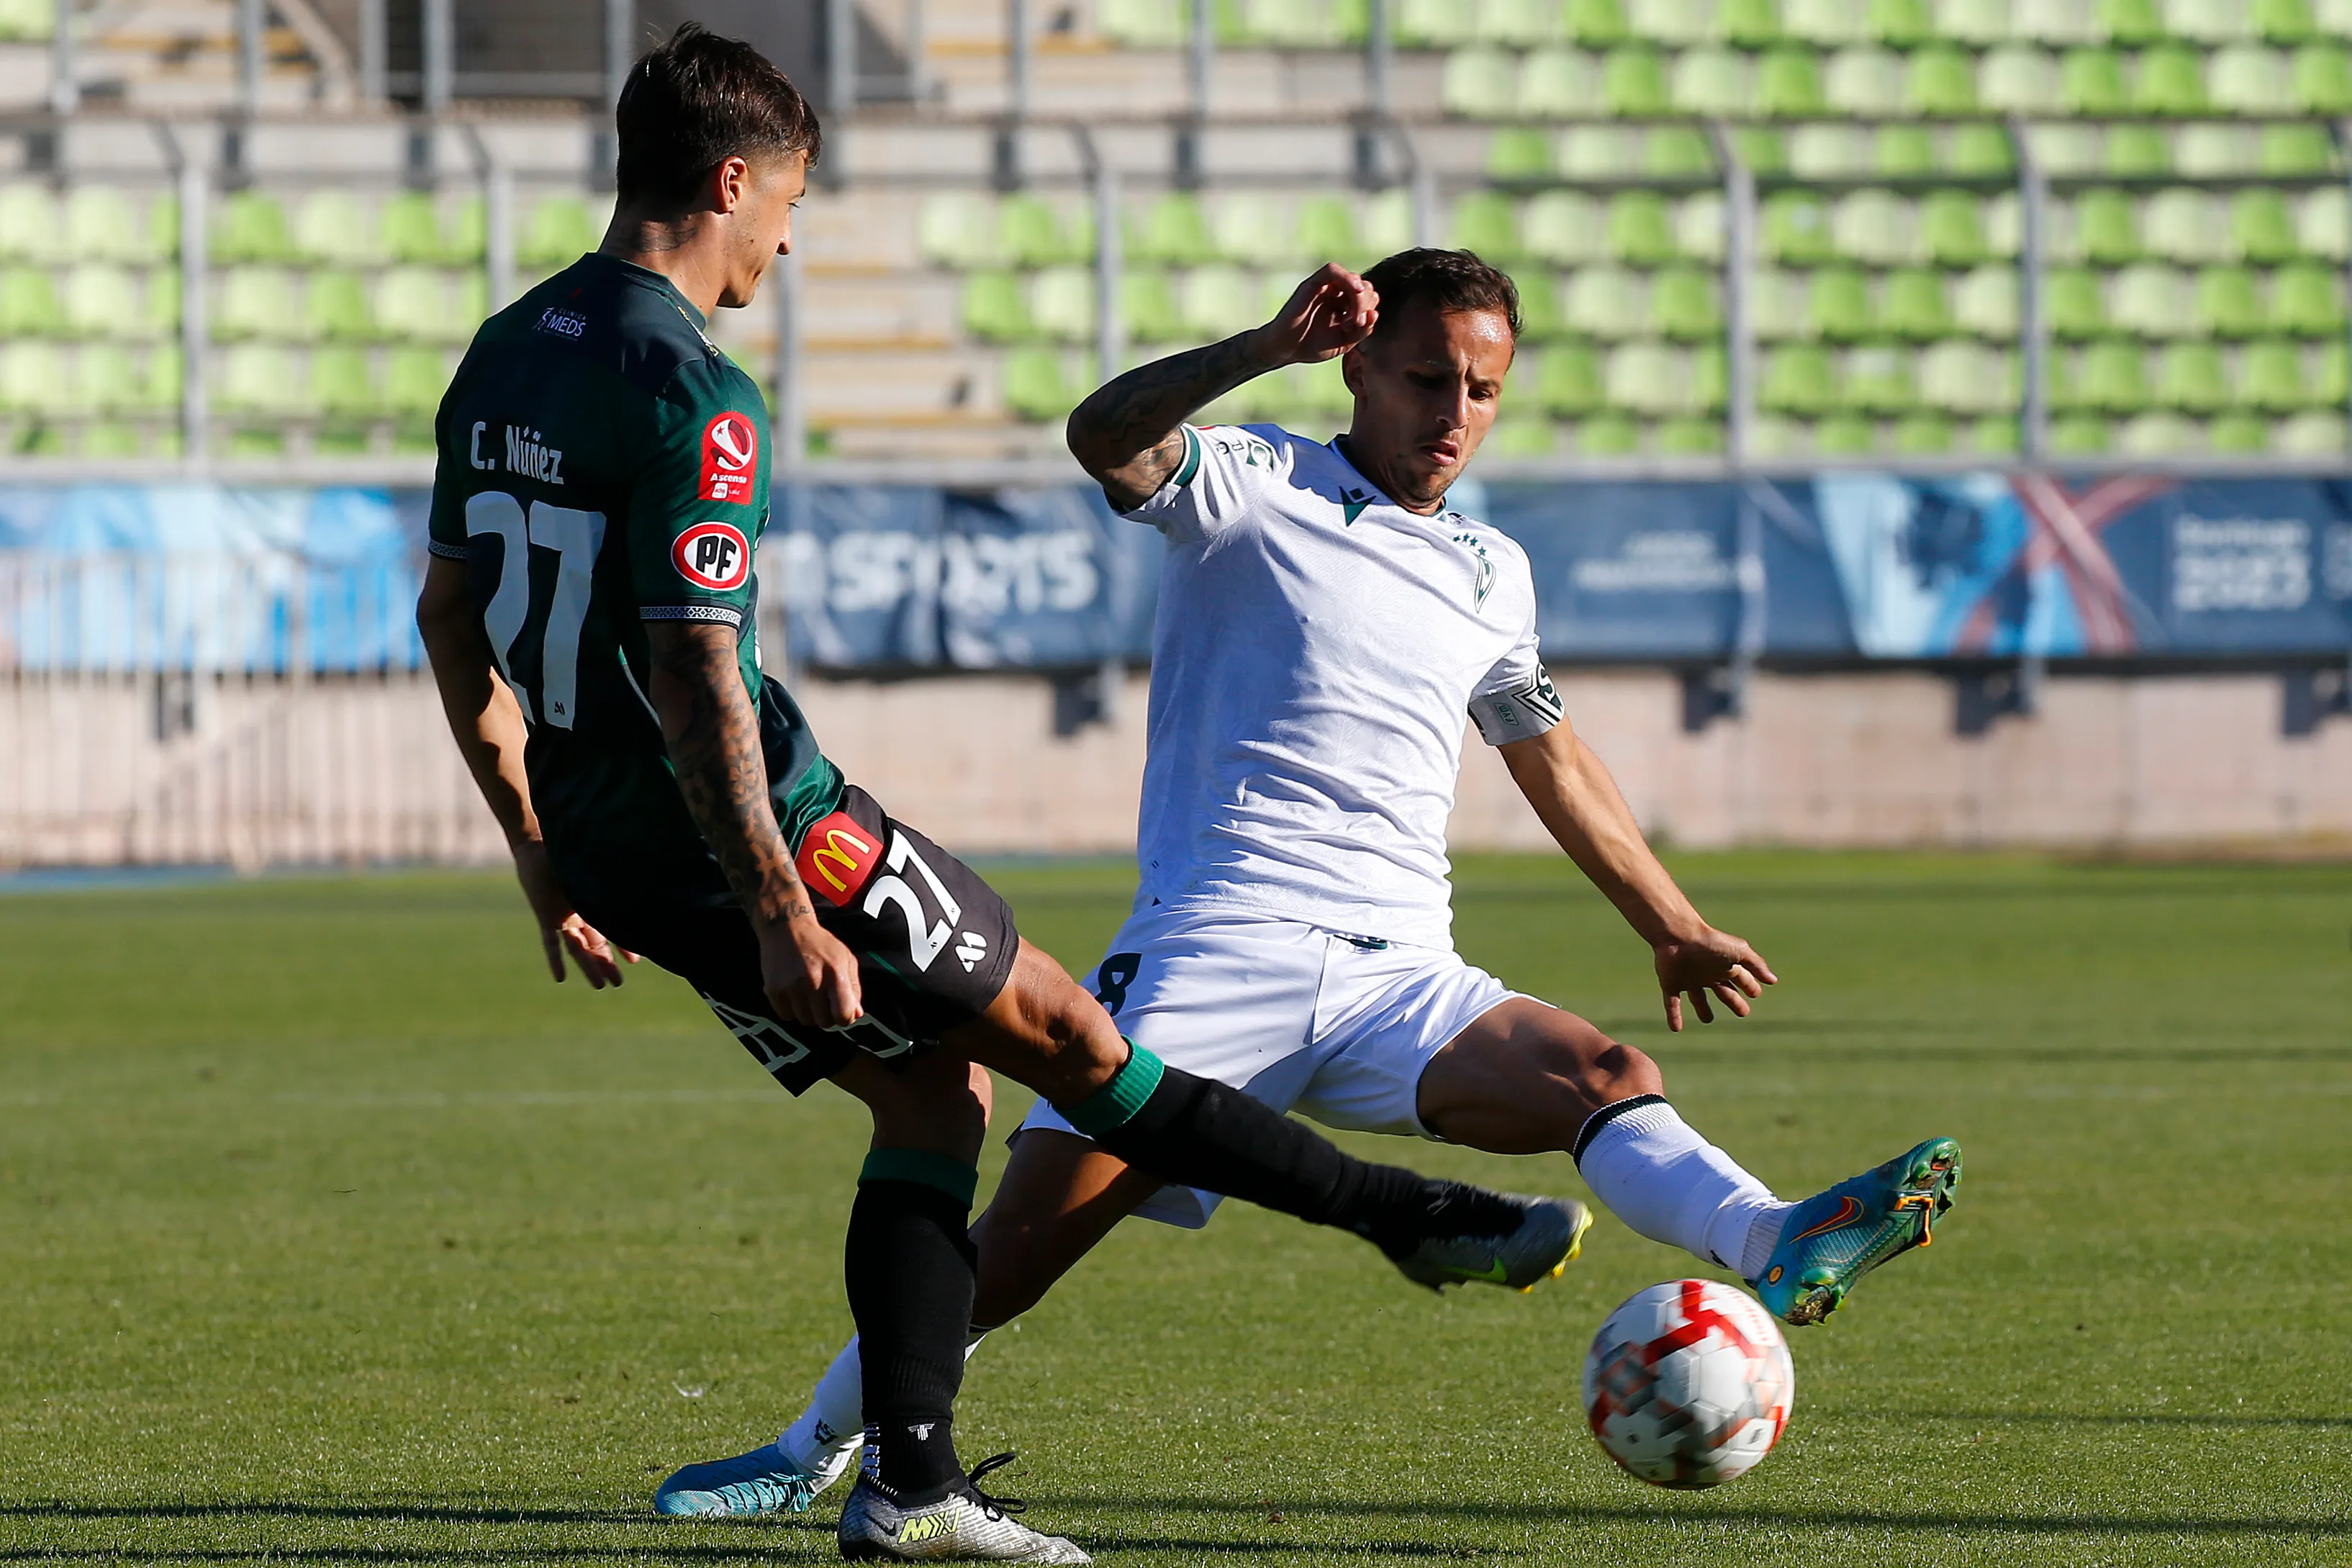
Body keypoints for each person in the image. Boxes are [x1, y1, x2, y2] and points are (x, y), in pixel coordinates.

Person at [417, 31, 1587, 1565]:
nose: (790, 233)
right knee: (1074, 1043)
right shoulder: (694, 390)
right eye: (789, 200)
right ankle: (1410, 1223)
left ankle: (908, 1484)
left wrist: (537, 852)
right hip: (767, 828)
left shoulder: (504, 349)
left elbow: (452, 617)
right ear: (727, 182)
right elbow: (698, 671)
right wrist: (780, 903)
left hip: (617, 847)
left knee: (930, 1097)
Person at [659, 249, 1963, 1516]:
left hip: (1404, 974)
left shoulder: (1491, 572)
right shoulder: (1247, 480)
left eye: (1483, 390)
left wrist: (1669, 922)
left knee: (1606, 1078)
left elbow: (1547, 748)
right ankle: (809, 1448)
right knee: (1010, 1256)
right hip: (1213, 951)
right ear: (1359, 367)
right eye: (1425, 377)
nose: (1454, 414)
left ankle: (1772, 1237)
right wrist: (1260, 350)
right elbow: (1101, 435)